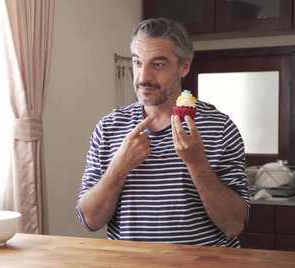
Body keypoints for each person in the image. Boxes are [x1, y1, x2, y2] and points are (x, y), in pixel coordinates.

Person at [76, 18, 249, 247]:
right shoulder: (108, 128)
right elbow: (90, 220)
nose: (143, 77)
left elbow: (235, 225)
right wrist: (118, 168)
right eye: (137, 62)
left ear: (184, 66)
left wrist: (197, 164)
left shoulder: (220, 128)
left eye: (158, 64)